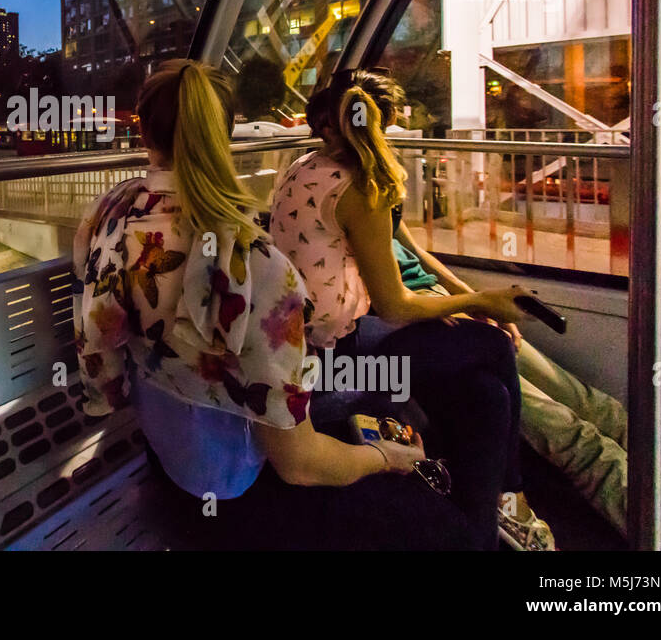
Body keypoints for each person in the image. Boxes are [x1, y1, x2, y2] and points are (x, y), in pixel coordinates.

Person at [74, 59, 476, 550]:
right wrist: (386, 460)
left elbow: (102, 354)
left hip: (168, 462)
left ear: (142, 131)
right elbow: (300, 466)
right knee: (452, 533)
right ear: (225, 134)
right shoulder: (258, 268)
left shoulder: (110, 214)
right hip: (242, 493)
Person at [270, 68, 550, 550]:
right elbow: (395, 305)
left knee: (489, 396)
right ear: (387, 124)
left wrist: (456, 304)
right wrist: (483, 301)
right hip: (335, 365)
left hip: (325, 343)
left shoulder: (304, 166)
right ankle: (510, 495)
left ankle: (481, 528)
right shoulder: (359, 188)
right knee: (491, 342)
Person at [391, 226, 661, 550]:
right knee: (575, 439)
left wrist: (472, 299)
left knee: (601, 410)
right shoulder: (353, 186)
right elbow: (384, 294)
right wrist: (465, 303)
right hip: (417, 317)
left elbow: (412, 251)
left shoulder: (385, 179)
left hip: (442, 300)